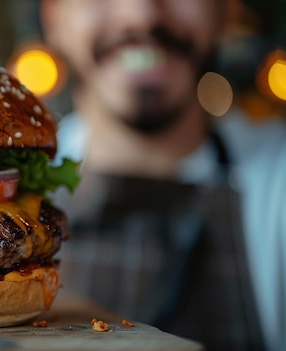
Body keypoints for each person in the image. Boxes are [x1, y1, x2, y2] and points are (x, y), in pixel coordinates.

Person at [40, 0, 285, 350]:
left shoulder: (277, 183)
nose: (141, 14)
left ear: (226, 13)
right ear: (54, 18)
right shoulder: (7, 191)